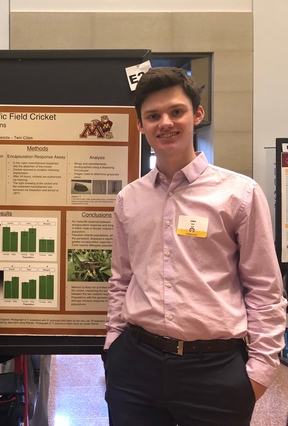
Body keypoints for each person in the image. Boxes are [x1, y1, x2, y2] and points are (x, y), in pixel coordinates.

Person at [104, 67, 288, 426]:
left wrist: (259, 373)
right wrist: (114, 347)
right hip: (136, 366)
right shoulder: (129, 199)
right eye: (153, 116)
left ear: (197, 115)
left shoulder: (240, 194)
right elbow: (121, 280)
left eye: (176, 111)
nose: (165, 123)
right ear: (140, 125)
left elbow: (265, 289)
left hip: (215, 372)